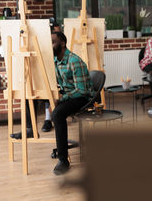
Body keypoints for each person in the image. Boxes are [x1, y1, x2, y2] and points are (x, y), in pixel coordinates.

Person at [11, 32, 94, 175]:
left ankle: (63, 160)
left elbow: (82, 91)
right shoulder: (56, 60)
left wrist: (60, 98)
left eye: (53, 42)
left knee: (57, 114)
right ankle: (30, 129)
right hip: (67, 94)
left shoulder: (74, 61)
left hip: (82, 97)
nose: (50, 46)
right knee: (30, 97)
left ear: (62, 43)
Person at [41, 18, 62, 133]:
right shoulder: (45, 41)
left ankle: (51, 116)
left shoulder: (60, 42)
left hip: (60, 72)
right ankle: (47, 119)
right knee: (47, 83)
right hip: (49, 70)